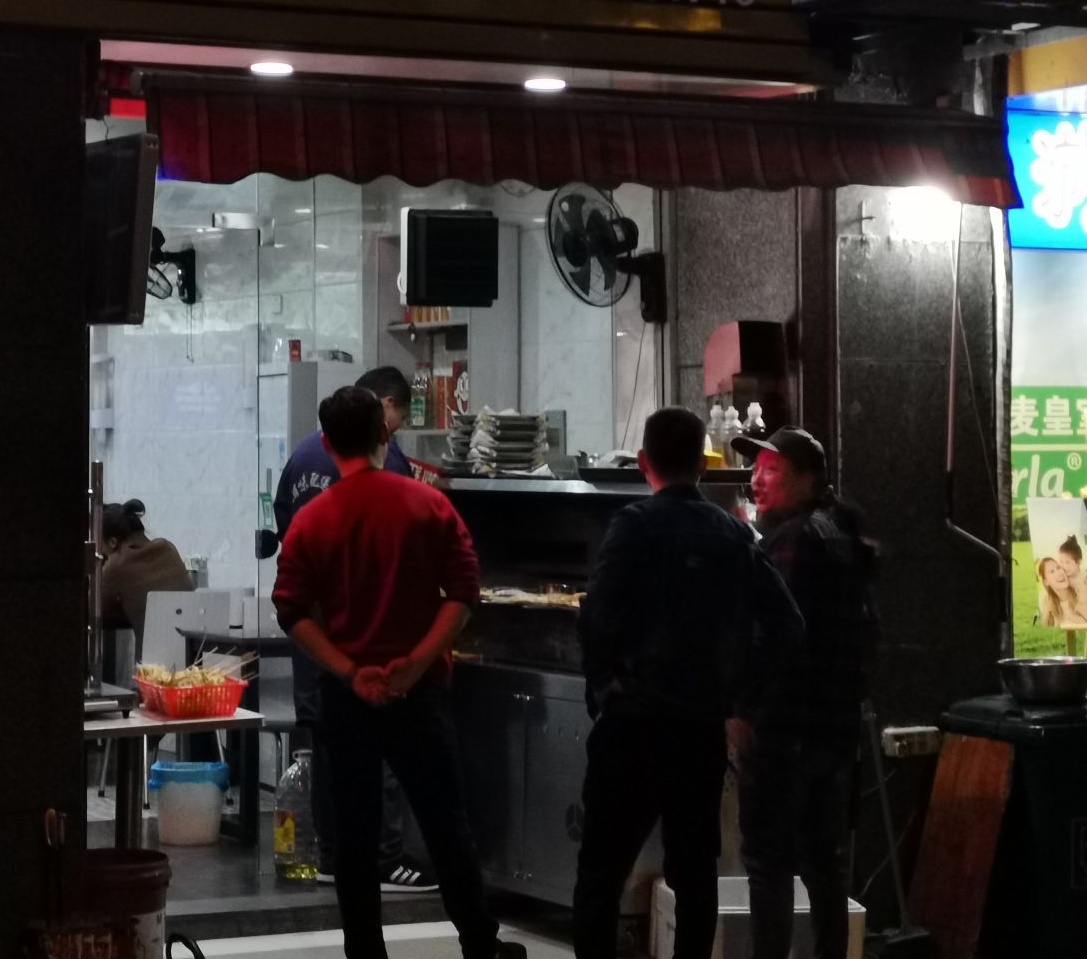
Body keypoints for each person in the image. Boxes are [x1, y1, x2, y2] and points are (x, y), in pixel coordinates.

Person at [272, 386, 522, 959]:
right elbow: (464, 594)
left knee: (354, 838)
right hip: (420, 694)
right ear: (384, 433)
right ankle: (480, 944)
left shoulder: (313, 521)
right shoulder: (428, 505)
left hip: (347, 701)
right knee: (446, 825)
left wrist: (350, 671)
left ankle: (365, 952)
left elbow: (290, 612)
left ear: (327, 443)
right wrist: (414, 663)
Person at [572, 407, 804, 959]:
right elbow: (788, 626)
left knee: (601, 872)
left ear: (643, 462)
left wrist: (602, 691)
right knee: (695, 874)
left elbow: (597, 616)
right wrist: (742, 700)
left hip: (630, 726)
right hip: (698, 731)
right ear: (703, 463)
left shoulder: (632, 525)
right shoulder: (734, 533)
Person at [273, 366, 433, 891]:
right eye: (395, 422)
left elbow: (286, 531)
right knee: (379, 743)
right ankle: (384, 858)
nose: (392, 434)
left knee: (323, 742)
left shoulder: (301, 456)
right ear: (382, 409)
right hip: (365, 626)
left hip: (313, 634)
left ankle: (330, 854)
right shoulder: (389, 469)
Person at [730, 426, 878, 959]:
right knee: (824, 865)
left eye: (771, 470)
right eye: (755, 469)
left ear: (808, 480)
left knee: (768, 865)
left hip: (783, 734)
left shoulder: (793, 542)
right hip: (832, 735)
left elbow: (776, 637)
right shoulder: (842, 534)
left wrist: (745, 709)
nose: (756, 479)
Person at [98, 499, 191, 656]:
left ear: (112, 542)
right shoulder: (167, 548)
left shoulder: (118, 563)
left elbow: (97, 612)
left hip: (154, 664)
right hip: (192, 654)